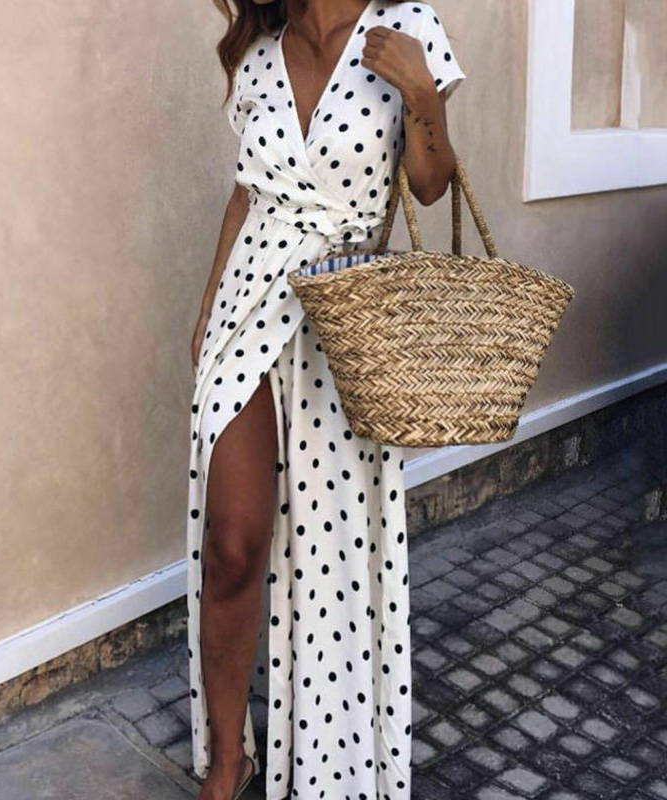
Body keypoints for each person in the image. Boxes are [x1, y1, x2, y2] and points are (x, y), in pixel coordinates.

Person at [186, 1, 466, 797]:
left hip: (343, 327)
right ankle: (229, 759)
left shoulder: (409, 29)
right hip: (247, 308)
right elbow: (244, 196)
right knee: (233, 542)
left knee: (331, 550)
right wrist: (206, 313)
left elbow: (431, 186)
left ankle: (330, 753)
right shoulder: (262, 49)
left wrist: (423, 95)